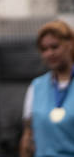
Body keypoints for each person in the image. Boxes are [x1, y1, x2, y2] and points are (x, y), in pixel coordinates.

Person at [20, 19, 74, 157]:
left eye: (55, 47)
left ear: (70, 44)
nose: (49, 53)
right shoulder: (36, 87)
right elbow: (28, 137)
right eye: (44, 49)